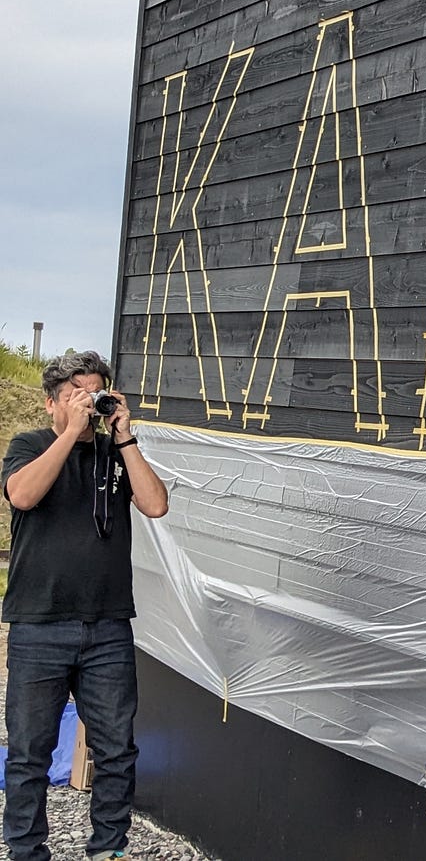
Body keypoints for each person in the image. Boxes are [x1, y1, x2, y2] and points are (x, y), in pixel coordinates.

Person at [1, 350, 169, 861]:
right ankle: (28, 852)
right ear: (51, 401)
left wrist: (124, 437)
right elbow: (23, 495)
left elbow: (156, 505)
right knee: (30, 753)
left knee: (116, 749)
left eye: (94, 393)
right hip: (39, 625)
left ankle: (109, 849)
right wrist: (69, 434)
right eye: (76, 394)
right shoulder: (29, 444)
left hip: (108, 627)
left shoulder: (116, 452)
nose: (86, 404)